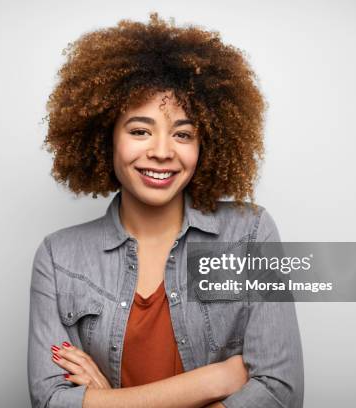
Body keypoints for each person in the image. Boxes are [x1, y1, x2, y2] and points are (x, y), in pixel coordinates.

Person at [28, 13, 304, 408]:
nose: (161, 151)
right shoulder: (59, 258)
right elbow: (51, 402)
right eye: (139, 130)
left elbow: (280, 392)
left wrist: (108, 401)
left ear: (206, 144)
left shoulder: (250, 234)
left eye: (183, 134)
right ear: (105, 137)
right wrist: (213, 380)